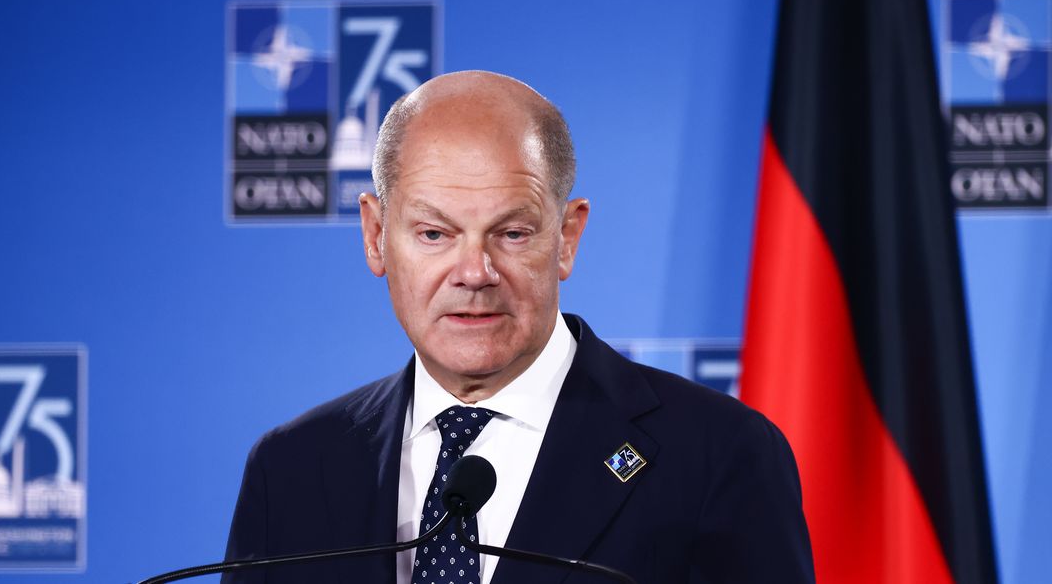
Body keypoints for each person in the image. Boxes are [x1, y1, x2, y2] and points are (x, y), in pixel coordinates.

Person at [223, 71, 815, 583]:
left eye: (512, 234)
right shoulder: (293, 468)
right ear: (376, 236)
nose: (475, 273)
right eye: (434, 234)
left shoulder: (719, 457)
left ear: (567, 238)